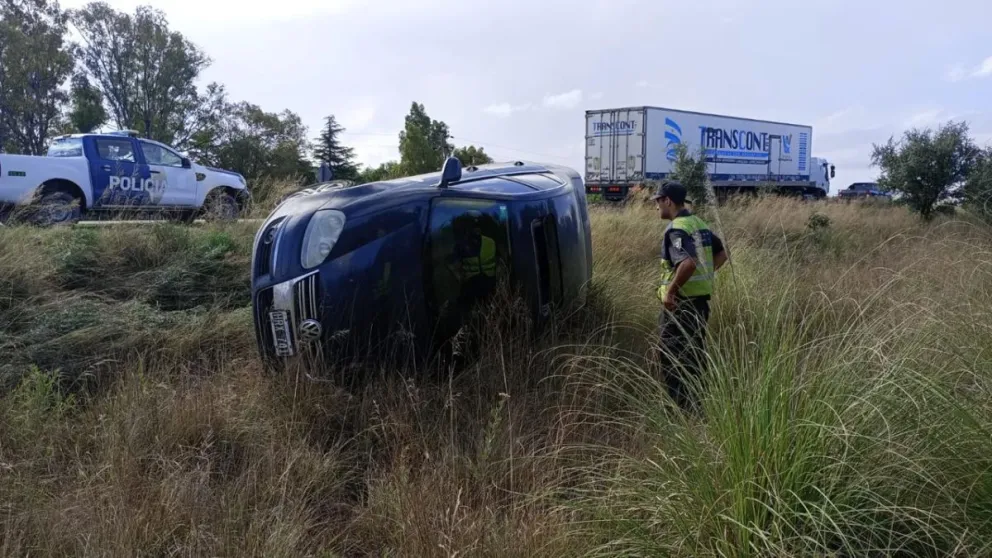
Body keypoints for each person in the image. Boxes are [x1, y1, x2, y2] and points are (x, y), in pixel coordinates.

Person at [651, 180, 729, 412]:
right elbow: (723, 253)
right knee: (694, 356)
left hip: (680, 306)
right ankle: (696, 407)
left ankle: (680, 411)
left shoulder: (677, 229)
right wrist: (706, 274)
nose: (656, 207)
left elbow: (688, 262)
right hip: (700, 305)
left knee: (672, 357)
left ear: (668, 201)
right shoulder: (698, 223)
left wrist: (671, 292)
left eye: (658, 201)